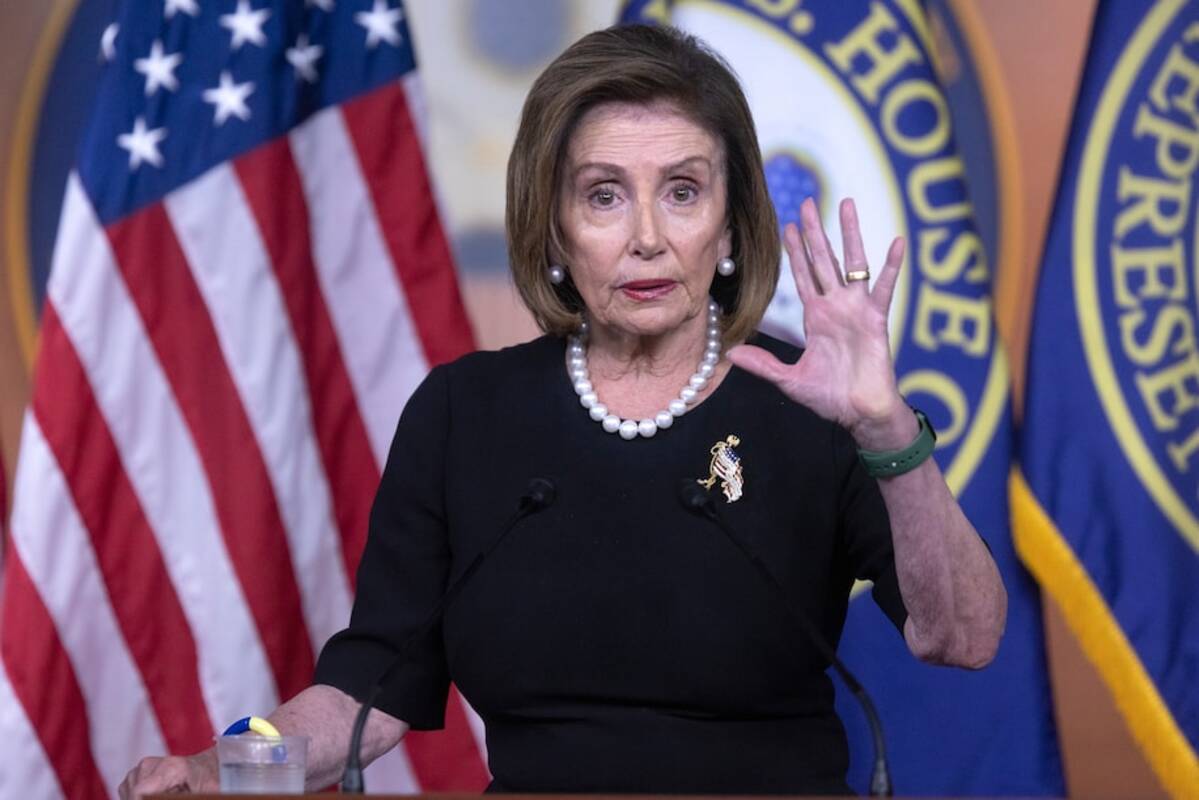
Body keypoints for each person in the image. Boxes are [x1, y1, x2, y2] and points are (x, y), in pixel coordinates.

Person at [120, 23, 1005, 798]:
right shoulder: (463, 414)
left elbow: (963, 638)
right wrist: (226, 762)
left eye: (683, 191)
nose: (647, 237)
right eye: (603, 195)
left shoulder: (812, 404)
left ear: (732, 226)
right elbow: (368, 692)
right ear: (551, 228)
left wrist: (886, 431)